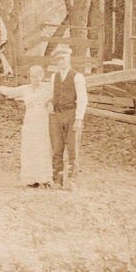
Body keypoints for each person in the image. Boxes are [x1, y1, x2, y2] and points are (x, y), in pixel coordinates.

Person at [0, 65, 54, 188]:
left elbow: (59, 95)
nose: (34, 79)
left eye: (37, 77)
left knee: (42, 147)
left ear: (42, 77)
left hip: (42, 121)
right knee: (30, 147)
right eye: (32, 76)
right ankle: (31, 179)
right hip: (30, 120)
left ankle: (45, 178)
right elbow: (10, 91)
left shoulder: (48, 89)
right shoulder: (26, 89)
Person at [49, 44, 87, 189]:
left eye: (63, 58)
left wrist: (78, 119)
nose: (60, 62)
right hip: (56, 115)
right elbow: (51, 95)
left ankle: (72, 180)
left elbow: (82, 99)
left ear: (69, 58)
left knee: (72, 149)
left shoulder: (77, 77)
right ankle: (57, 180)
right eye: (58, 59)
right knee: (57, 149)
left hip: (72, 114)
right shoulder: (54, 77)